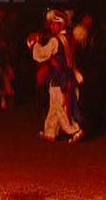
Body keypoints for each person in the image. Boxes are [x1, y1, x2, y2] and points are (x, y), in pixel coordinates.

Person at [27, 9, 85, 143]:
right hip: (66, 77)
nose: (52, 26)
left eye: (55, 24)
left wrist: (34, 44)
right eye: (51, 24)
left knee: (60, 107)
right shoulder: (69, 38)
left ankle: (75, 130)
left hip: (60, 78)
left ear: (62, 25)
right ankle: (50, 131)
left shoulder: (55, 40)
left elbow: (42, 54)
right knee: (54, 105)